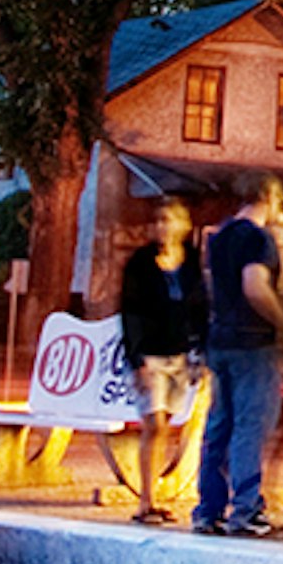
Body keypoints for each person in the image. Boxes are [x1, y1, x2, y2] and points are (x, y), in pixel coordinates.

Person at [193, 178, 283, 539]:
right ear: (269, 196)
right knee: (251, 426)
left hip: (220, 339)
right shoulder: (257, 238)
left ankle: (208, 510)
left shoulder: (219, 238)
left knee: (219, 425)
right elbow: (255, 286)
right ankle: (246, 510)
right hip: (253, 342)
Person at [111, 197, 209, 525]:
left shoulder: (191, 262)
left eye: (171, 220)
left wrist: (200, 348)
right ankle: (145, 501)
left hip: (180, 353)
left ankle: (155, 496)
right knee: (154, 425)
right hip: (150, 354)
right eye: (160, 220)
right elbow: (131, 311)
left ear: (184, 226)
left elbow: (199, 307)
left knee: (168, 424)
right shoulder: (141, 263)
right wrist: (136, 357)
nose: (164, 227)